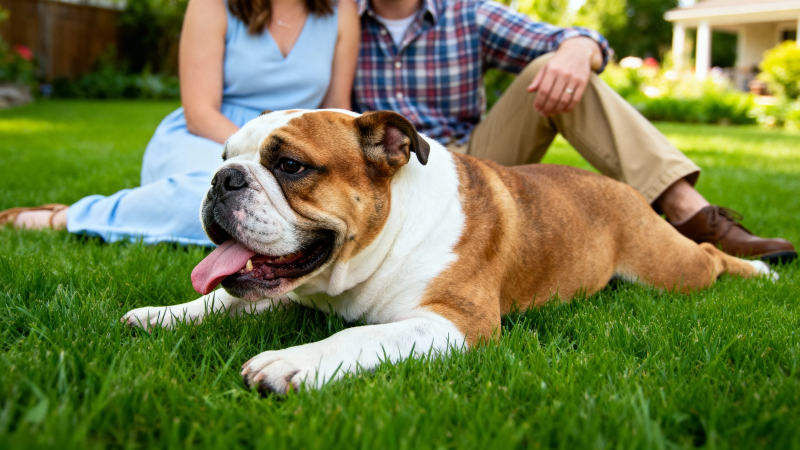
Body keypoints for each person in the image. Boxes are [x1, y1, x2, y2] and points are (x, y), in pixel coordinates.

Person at [352, 0, 796, 263]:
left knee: (558, 67)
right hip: (382, 165)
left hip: (469, 160)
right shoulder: (340, 20)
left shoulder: (468, 13)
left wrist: (577, 49)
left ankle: (691, 212)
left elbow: (584, 39)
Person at [0, 0, 359, 246]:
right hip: (210, 135)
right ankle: (69, 218)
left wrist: (288, 166)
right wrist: (256, 162)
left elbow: (337, 108)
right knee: (209, 197)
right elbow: (199, 111)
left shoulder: (340, 9)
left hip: (293, 150)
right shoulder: (213, 4)